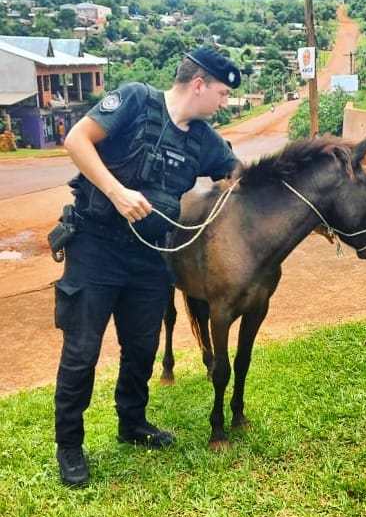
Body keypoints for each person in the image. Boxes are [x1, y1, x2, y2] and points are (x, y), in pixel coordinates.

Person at [51, 47, 241, 487]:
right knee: (81, 353)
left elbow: (236, 172)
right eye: (222, 92)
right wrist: (117, 192)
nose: (224, 102)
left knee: (141, 349)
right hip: (96, 247)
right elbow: (76, 139)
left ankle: (132, 424)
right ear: (198, 84)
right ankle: (70, 445)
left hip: (151, 257)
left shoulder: (203, 137)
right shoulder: (135, 101)